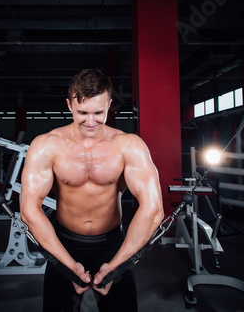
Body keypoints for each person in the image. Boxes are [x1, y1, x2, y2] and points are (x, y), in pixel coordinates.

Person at [20, 69, 164, 311]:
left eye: (99, 112)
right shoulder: (47, 145)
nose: (90, 121)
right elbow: (29, 211)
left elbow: (153, 210)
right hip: (63, 245)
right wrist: (68, 265)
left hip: (113, 246)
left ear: (109, 104)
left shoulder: (129, 146)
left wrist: (116, 266)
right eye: (82, 113)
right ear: (69, 105)